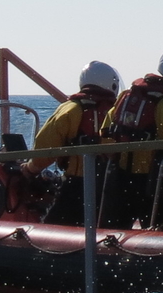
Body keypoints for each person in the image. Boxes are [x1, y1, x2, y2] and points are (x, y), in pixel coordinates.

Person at [102, 46, 163, 228]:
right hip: (156, 186)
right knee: (159, 235)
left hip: (120, 181)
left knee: (113, 232)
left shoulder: (126, 96)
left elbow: (105, 133)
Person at [27, 61, 121, 226]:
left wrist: (29, 169)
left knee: (52, 229)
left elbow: (45, 147)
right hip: (114, 185)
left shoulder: (70, 109)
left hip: (77, 186)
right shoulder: (119, 110)